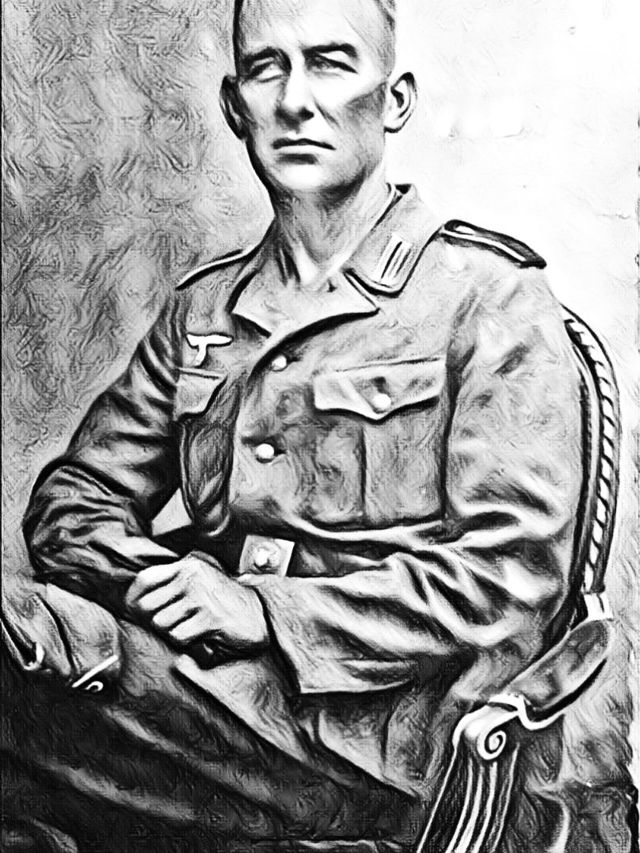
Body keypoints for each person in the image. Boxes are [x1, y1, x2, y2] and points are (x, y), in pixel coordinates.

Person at [4, 0, 631, 851]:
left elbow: (508, 578)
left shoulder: (488, 298)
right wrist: (164, 583)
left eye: (331, 63)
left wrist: (264, 610)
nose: (296, 100)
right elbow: (73, 501)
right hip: (205, 696)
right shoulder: (205, 308)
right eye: (267, 69)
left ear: (395, 100)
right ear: (236, 107)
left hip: (387, 744)